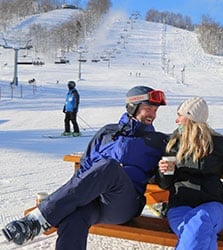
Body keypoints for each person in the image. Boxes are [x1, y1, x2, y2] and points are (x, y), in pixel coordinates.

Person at [2, 85, 168, 249]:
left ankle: (39, 219)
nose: (152, 115)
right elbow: (85, 166)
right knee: (74, 217)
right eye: (148, 109)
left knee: (110, 167)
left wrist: (164, 170)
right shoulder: (107, 132)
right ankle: (44, 218)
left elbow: (166, 178)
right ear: (132, 107)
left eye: (155, 110)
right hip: (93, 201)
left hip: (123, 204)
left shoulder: (158, 141)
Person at [156, 96, 223, 250]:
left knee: (199, 221)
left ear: (191, 118)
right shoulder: (173, 145)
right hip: (180, 206)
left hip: (214, 207)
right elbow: (165, 184)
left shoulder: (219, 144)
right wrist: (163, 172)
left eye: (180, 115)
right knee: (198, 232)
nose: (176, 121)